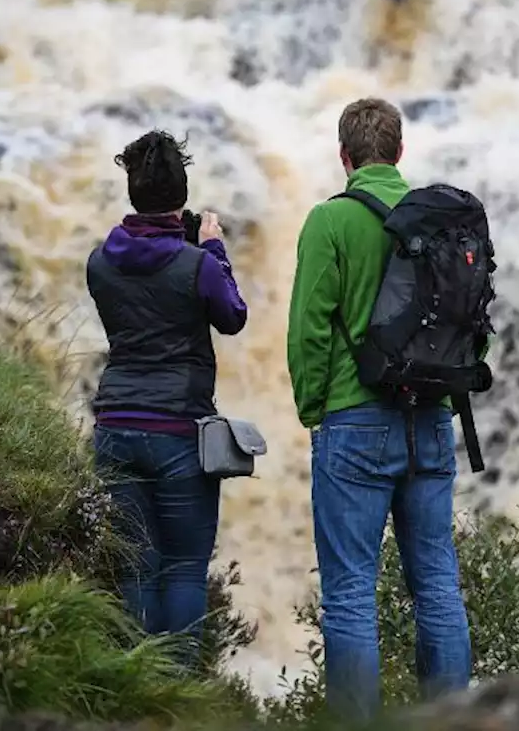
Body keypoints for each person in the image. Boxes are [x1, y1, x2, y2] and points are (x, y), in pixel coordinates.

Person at [287, 98, 473, 717]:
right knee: (439, 588)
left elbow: (309, 328)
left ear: (344, 158)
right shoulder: (445, 220)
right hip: (430, 421)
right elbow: (476, 324)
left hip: (353, 423)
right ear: (400, 152)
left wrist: (315, 406)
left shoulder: (329, 222)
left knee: (349, 598)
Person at [86, 129, 247, 670]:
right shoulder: (197, 263)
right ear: (181, 198)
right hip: (179, 432)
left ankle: (136, 683)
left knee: (135, 565)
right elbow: (233, 316)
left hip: (115, 426)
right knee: (182, 566)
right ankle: (176, 689)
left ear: (133, 193)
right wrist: (214, 246)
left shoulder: (99, 263)